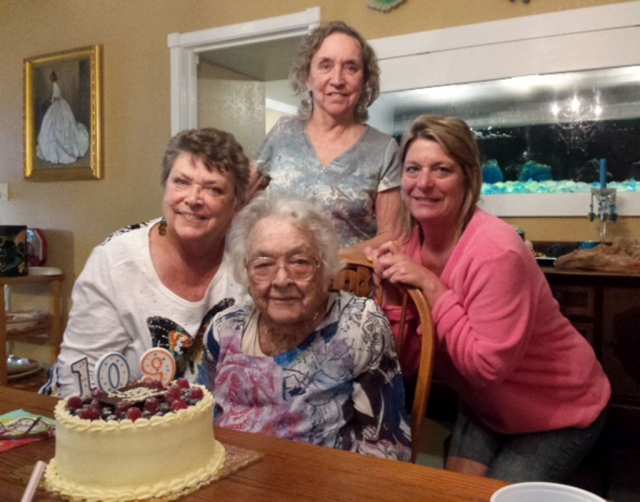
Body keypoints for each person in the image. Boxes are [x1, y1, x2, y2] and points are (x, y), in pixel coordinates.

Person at [367, 115, 611, 482]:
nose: (423, 183)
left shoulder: (497, 252)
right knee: (456, 493)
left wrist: (432, 289)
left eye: (442, 170)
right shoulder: (409, 249)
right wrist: (391, 297)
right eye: (413, 169)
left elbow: (486, 367)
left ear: (469, 177)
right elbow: (411, 362)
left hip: (559, 410)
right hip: (488, 408)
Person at [40, 128, 251, 397]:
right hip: (115, 419)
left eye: (213, 189)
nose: (193, 199)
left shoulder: (249, 263)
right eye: (182, 182)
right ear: (165, 186)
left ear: (236, 204)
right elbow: (78, 379)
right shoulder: (115, 261)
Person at [204, 194, 411, 461]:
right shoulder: (224, 329)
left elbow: (387, 448)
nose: (281, 279)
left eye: (300, 262)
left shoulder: (359, 327)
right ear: (246, 272)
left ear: (325, 267)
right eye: (264, 264)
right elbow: (203, 423)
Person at [253, 21, 404, 252]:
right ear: (307, 77)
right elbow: (237, 199)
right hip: (281, 281)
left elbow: (391, 237)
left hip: (348, 284)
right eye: (325, 65)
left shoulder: (383, 149)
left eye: (351, 67)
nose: (337, 79)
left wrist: (329, 264)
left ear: (364, 81)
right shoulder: (283, 133)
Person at [37, 70, 90, 164]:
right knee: (50, 126)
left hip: (58, 106)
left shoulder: (55, 85)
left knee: (60, 125)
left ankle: (63, 148)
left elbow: (56, 96)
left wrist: (50, 101)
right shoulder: (54, 85)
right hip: (55, 107)